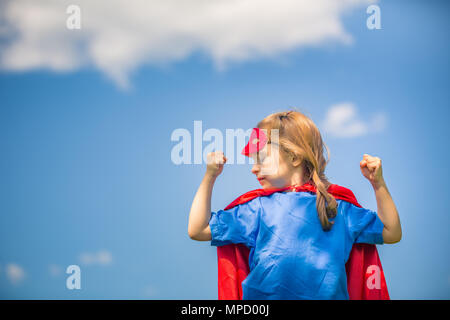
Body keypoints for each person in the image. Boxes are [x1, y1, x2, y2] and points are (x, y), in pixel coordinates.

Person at [188, 110, 402, 299]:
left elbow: (391, 232)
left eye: (261, 158)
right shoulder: (256, 209)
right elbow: (198, 230)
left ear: (295, 157)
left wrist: (378, 184)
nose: (253, 168)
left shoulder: (337, 208)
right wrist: (209, 177)